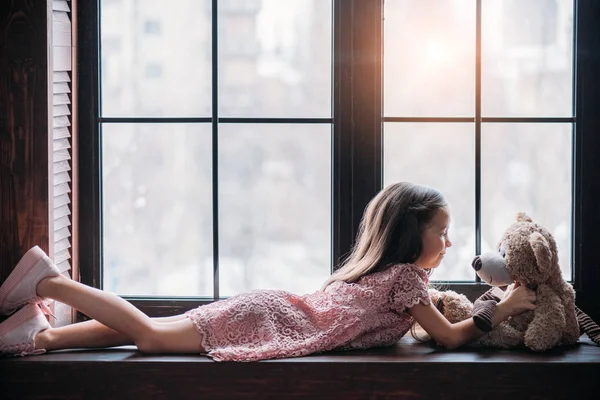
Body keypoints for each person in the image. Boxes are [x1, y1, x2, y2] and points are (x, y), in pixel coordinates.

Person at [0, 182, 536, 361]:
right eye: (441, 231)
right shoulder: (406, 279)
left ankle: (40, 338)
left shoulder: (393, 277)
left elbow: (423, 324)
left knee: (157, 330)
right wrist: (501, 305)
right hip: (273, 320)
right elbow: (446, 338)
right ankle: (47, 280)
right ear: (409, 233)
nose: (448, 242)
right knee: (150, 337)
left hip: (273, 311)